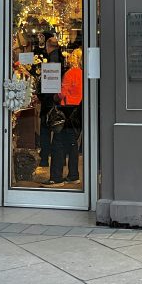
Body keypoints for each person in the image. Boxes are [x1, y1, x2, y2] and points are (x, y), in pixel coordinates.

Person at [47, 50, 82, 185]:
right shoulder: (83, 73)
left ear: (75, 58)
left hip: (66, 110)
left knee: (58, 143)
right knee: (73, 144)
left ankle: (56, 177)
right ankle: (73, 174)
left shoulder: (70, 73)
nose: (69, 57)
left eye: (72, 55)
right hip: (78, 110)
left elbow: (61, 94)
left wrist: (54, 97)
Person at [37, 31, 63, 168]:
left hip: (49, 99)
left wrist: (42, 95)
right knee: (56, 129)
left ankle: (44, 159)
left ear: (48, 45)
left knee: (46, 129)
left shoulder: (52, 59)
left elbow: (50, 81)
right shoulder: (59, 57)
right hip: (55, 98)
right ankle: (58, 159)